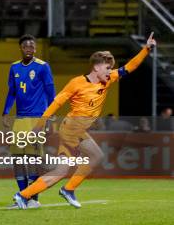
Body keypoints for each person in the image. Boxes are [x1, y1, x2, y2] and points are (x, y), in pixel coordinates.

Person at [13, 33, 157, 209]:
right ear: (96, 67)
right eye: (107, 67)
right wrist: (40, 124)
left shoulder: (108, 79)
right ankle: (68, 189)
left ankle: (23, 195)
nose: (110, 71)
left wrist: (146, 49)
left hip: (74, 128)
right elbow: (57, 102)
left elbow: (129, 67)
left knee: (61, 171)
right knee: (96, 155)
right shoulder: (77, 83)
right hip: (73, 128)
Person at [2, 35, 55, 208]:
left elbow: (50, 91)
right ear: (21, 48)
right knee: (17, 159)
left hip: (36, 118)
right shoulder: (14, 67)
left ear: (36, 49)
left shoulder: (42, 67)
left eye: (32, 47)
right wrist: (5, 112)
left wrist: (50, 114)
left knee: (31, 159)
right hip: (20, 119)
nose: (29, 49)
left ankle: (33, 199)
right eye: (26, 46)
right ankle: (22, 198)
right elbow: (12, 92)